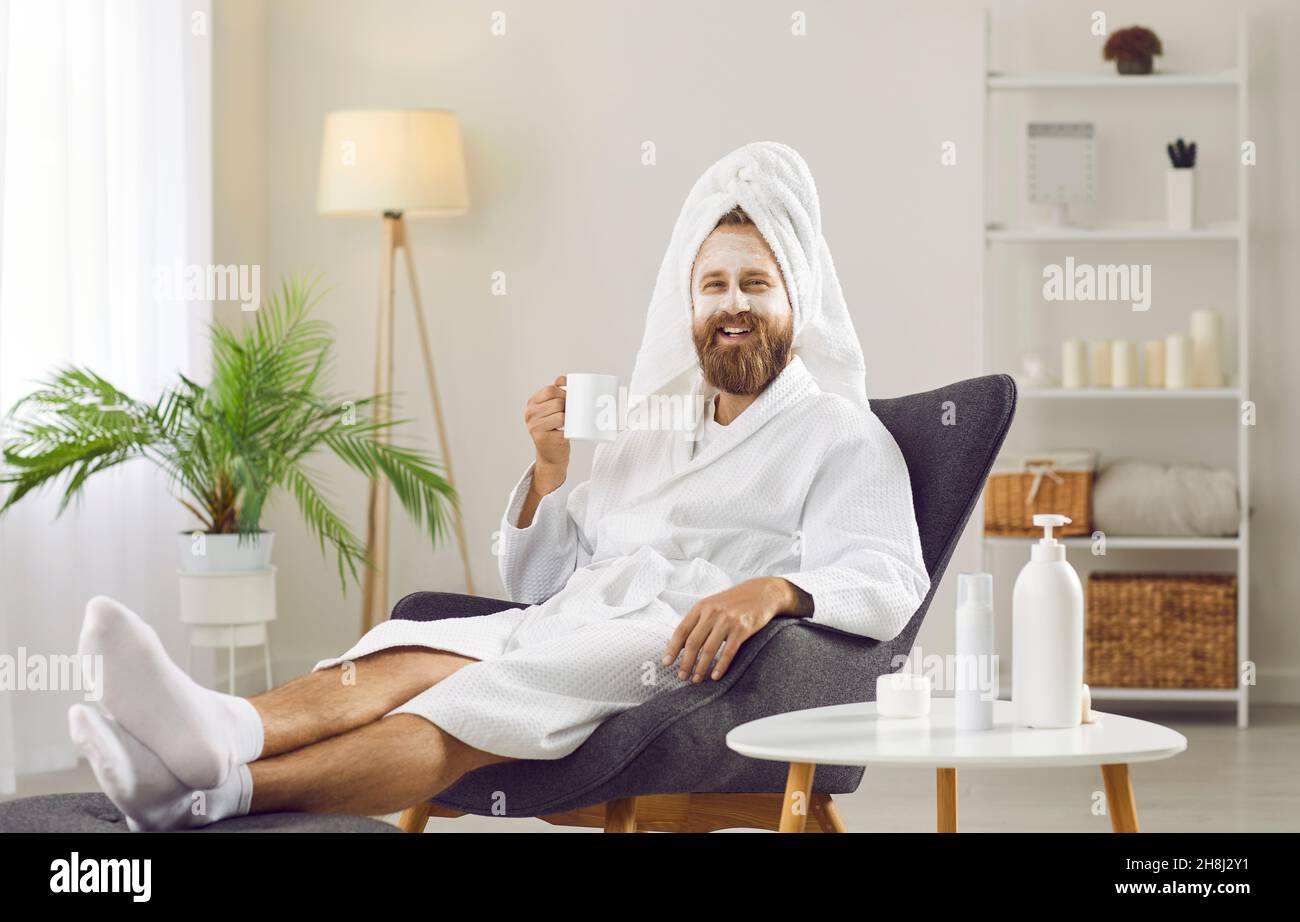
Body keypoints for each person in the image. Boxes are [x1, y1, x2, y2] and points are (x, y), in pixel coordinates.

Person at [68, 141, 929, 830]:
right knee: (402, 651)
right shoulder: (657, 425)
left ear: (796, 301)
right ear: (689, 307)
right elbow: (539, 584)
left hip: (676, 654)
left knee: (459, 707)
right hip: (570, 618)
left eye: (756, 283)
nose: (732, 304)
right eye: (713, 285)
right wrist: (551, 474)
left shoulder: (839, 431)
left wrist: (775, 589)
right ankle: (218, 728)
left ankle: (208, 796)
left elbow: (889, 577)